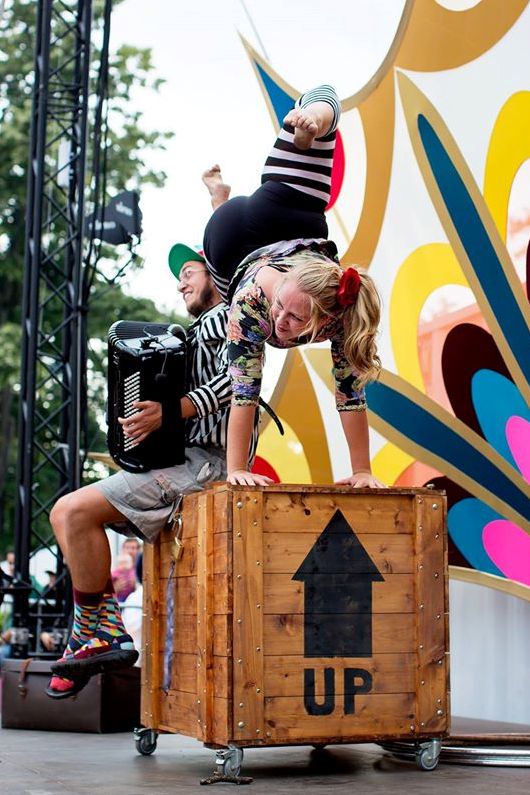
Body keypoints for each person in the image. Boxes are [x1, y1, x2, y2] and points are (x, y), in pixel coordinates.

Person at [46, 248, 249, 699]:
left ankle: (94, 635)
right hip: (185, 459)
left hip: (210, 463)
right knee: (66, 515)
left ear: (216, 273)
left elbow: (238, 382)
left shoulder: (232, 317)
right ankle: (97, 632)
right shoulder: (193, 333)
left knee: (72, 512)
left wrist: (168, 411)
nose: (181, 283)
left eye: (189, 272)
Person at [201, 84, 385, 488]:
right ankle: (311, 122)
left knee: (217, 299)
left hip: (230, 259)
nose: (279, 319)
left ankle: (219, 197)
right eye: (281, 306)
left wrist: (362, 471)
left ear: (324, 318)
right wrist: (236, 470)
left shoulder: (343, 317)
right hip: (252, 228)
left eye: (294, 317)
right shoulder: (252, 305)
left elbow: (350, 393)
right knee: (319, 112)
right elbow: (244, 391)